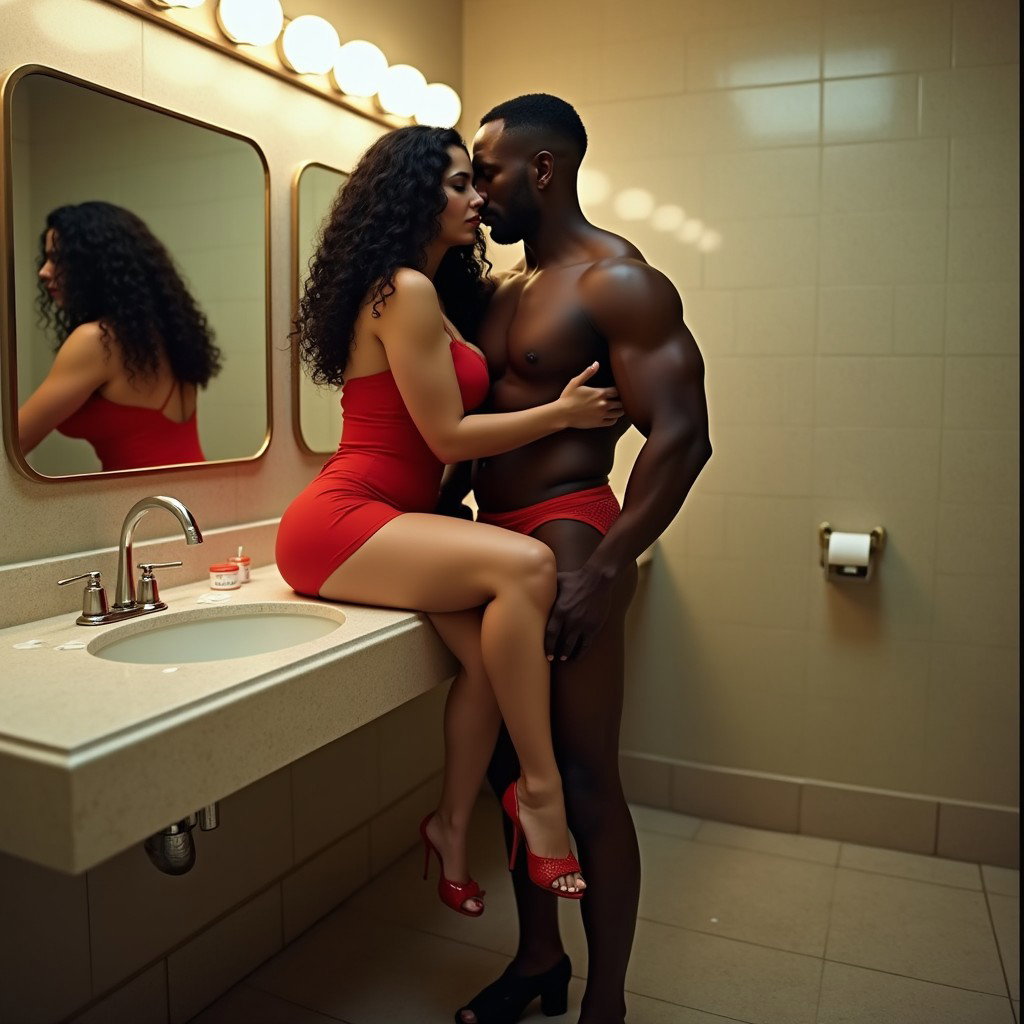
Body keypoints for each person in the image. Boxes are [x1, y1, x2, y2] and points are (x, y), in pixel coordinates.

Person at [275, 126, 626, 917]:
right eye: (460, 185)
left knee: (494, 671)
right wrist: (561, 412)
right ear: (411, 196)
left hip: (396, 521)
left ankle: (450, 823)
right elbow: (445, 438)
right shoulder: (405, 288)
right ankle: (539, 795)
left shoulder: (433, 294)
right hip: (343, 520)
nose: (478, 199)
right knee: (526, 567)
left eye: (477, 183)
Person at [445, 94, 712, 1024]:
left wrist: (605, 567)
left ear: (543, 170)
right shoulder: (499, 292)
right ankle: (538, 960)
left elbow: (681, 436)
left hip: (568, 538)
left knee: (587, 776)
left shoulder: (617, 282)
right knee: (514, 773)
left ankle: (607, 997)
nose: (479, 193)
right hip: (491, 544)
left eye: (490, 172)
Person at [18, 201, 221, 471]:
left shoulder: (98, 340)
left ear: (95, 264)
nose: (44, 271)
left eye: (58, 259)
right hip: (190, 493)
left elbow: (14, 441)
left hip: (146, 504)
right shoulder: (166, 332)